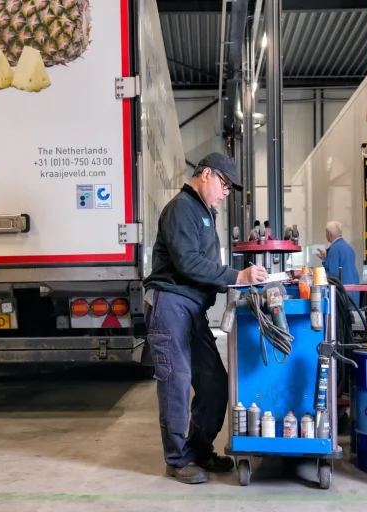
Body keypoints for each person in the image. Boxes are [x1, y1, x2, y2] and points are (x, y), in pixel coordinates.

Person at [143, 152, 268, 484]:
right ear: (206, 174)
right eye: (224, 184)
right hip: (170, 304)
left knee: (214, 382)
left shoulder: (203, 213)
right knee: (177, 381)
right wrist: (237, 276)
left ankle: (198, 451)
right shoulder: (182, 208)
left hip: (192, 309)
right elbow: (188, 262)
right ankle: (176, 459)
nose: (226, 193)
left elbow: (203, 267)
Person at [317, 221, 361, 304]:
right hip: (353, 289)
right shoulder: (348, 247)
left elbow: (332, 274)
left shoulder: (334, 249)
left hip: (342, 291)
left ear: (329, 233)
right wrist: (326, 258)